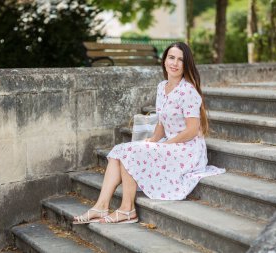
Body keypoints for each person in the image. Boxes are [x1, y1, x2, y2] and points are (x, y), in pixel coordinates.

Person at [73, 42, 225, 225]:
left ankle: (127, 210)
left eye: (180, 60)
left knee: (130, 152)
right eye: (171, 57)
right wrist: (153, 140)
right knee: (118, 151)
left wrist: (166, 144)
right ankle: (101, 206)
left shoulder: (189, 91)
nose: (175, 63)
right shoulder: (162, 87)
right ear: (164, 60)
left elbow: (192, 130)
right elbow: (162, 121)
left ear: (186, 64)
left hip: (188, 149)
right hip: (171, 143)